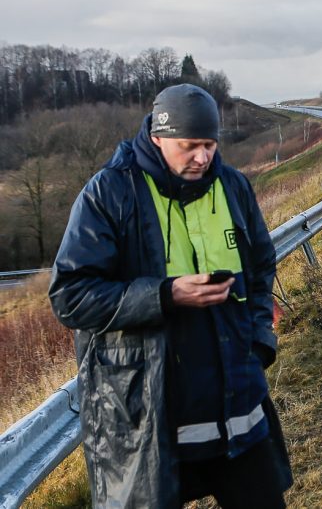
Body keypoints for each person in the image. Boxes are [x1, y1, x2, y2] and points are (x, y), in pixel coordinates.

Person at [49, 84, 293, 508]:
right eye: (189, 146)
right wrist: (165, 295)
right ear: (157, 137)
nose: (203, 157)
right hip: (150, 421)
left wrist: (258, 343)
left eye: (210, 145)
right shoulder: (110, 193)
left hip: (239, 406)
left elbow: (259, 271)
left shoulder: (232, 186)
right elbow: (71, 295)